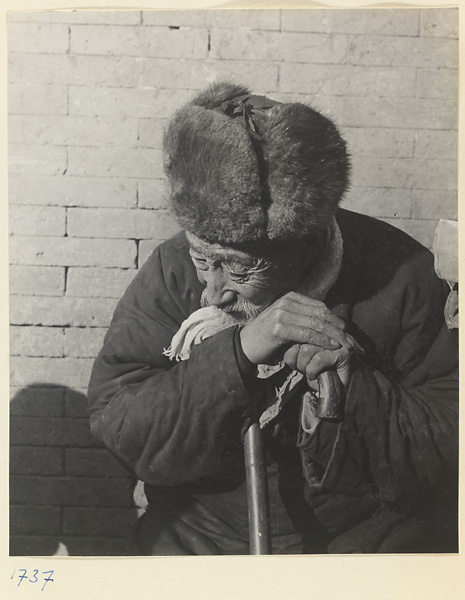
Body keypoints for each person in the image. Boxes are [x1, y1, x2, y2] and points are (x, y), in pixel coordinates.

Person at [87, 82, 458, 555]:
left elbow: (450, 450)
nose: (212, 292)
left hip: (361, 540)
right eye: (204, 260)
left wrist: (352, 388)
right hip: (201, 536)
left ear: (305, 243)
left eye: (241, 268)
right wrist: (236, 355)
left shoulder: (400, 272)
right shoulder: (172, 267)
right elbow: (119, 424)